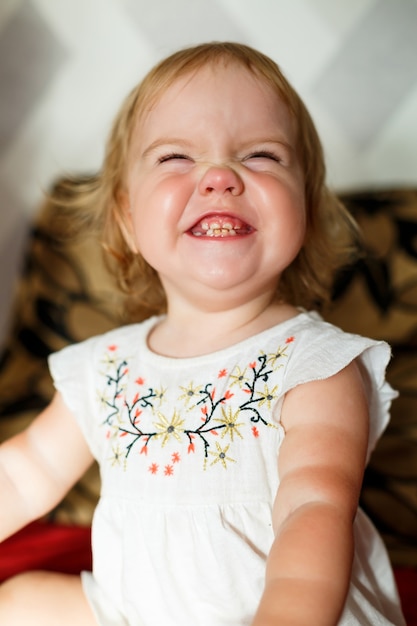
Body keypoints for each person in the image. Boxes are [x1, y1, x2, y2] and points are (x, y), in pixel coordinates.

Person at [0, 41, 406, 626]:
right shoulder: (106, 366)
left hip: (276, 608)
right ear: (126, 219)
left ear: (308, 211)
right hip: (139, 609)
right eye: (175, 159)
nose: (219, 176)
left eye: (261, 155)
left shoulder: (314, 365)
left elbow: (314, 508)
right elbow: (23, 473)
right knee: (19, 603)